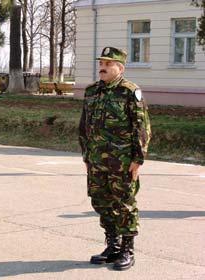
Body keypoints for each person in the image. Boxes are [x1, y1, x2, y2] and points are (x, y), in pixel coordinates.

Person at [78, 47, 151, 270]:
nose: (103, 67)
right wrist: (86, 155)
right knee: (100, 201)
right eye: (101, 62)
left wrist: (138, 159)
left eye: (108, 64)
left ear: (120, 68)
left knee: (124, 203)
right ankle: (113, 245)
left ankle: (127, 249)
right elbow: (84, 125)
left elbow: (142, 127)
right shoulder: (91, 91)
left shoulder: (130, 92)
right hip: (97, 160)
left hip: (122, 161)